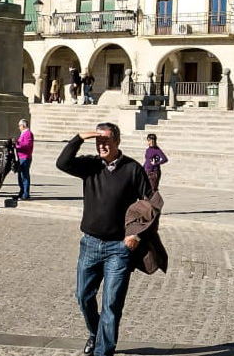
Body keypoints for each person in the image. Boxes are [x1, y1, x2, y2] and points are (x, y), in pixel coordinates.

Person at [56, 122, 152, 356]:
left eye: (106, 141)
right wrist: (80, 137)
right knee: (83, 296)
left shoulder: (133, 169)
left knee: (111, 304)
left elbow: (151, 204)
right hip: (89, 243)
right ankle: (95, 332)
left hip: (119, 248)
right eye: (98, 141)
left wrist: (136, 234)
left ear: (117, 141)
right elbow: (62, 163)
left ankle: (103, 351)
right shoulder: (90, 166)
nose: (102, 145)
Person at [16, 119, 34, 200]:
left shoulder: (28, 133)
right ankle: (22, 192)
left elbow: (27, 145)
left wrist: (17, 144)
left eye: (19, 126)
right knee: (20, 176)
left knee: (25, 176)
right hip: (21, 157)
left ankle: (26, 194)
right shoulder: (23, 133)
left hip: (25, 157)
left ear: (23, 125)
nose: (19, 127)